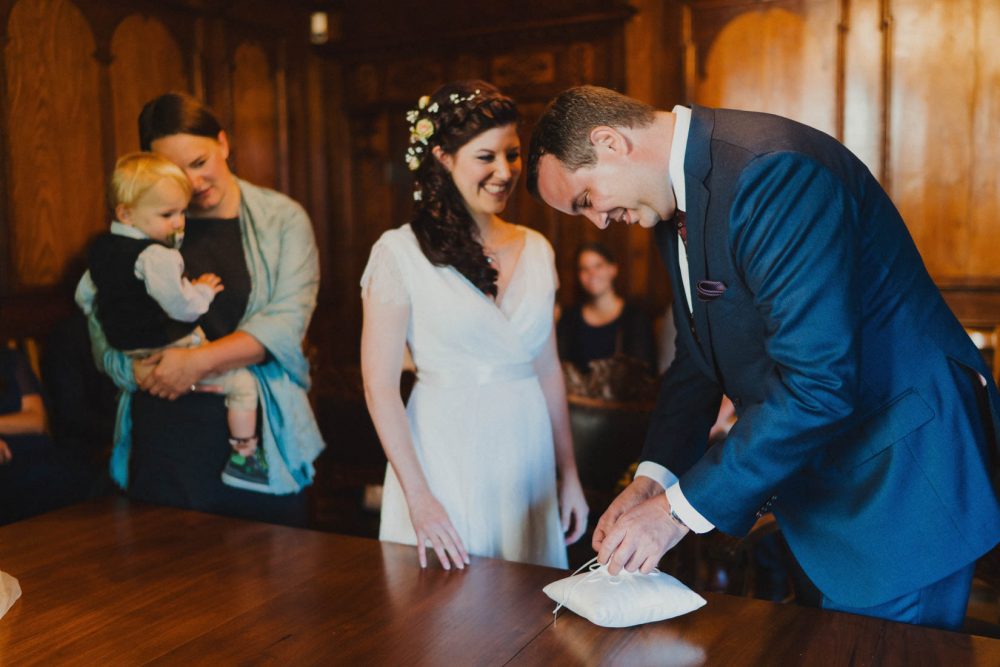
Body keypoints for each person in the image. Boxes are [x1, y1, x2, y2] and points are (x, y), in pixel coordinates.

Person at [527, 85, 1000, 630]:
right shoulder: (667, 203)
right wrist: (652, 480)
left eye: (586, 199)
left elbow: (818, 384)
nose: (598, 222)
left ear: (610, 142)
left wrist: (674, 514)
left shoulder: (771, 172)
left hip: (898, 485)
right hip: (821, 488)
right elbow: (696, 359)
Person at [361, 80, 588, 570]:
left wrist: (567, 473)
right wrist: (418, 497)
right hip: (443, 452)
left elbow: (548, 369)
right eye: (486, 157)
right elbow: (379, 387)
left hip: (526, 452)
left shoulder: (537, 249)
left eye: (512, 154)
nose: (504, 172)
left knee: (525, 620)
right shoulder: (398, 253)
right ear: (443, 158)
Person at [76, 92, 324, 526]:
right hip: (164, 431)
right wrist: (130, 369)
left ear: (224, 144)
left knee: (280, 577)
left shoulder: (282, 218)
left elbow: (286, 322)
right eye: (174, 172)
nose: (192, 182)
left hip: (255, 435)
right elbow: (99, 312)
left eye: (199, 161)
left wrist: (194, 363)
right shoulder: (144, 224)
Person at [87, 152, 265, 491]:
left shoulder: (100, 248)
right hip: (171, 342)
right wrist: (203, 291)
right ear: (126, 212)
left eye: (182, 212)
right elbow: (181, 307)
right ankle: (246, 458)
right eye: (168, 214)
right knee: (243, 384)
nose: (179, 222)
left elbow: (87, 296)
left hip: (131, 350)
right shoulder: (157, 256)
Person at [0, 347, 88, 524]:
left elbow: (37, 420)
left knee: (77, 478)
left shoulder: (8, 359)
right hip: (7, 462)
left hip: (37, 452)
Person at [557, 242, 656, 373]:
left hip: (624, 393)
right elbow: (560, 368)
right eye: (584, 269)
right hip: (574, 393)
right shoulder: (569, 318)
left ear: (613, 269)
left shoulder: (636, 318)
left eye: (598, 266)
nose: (592, 273)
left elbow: (645, 371)